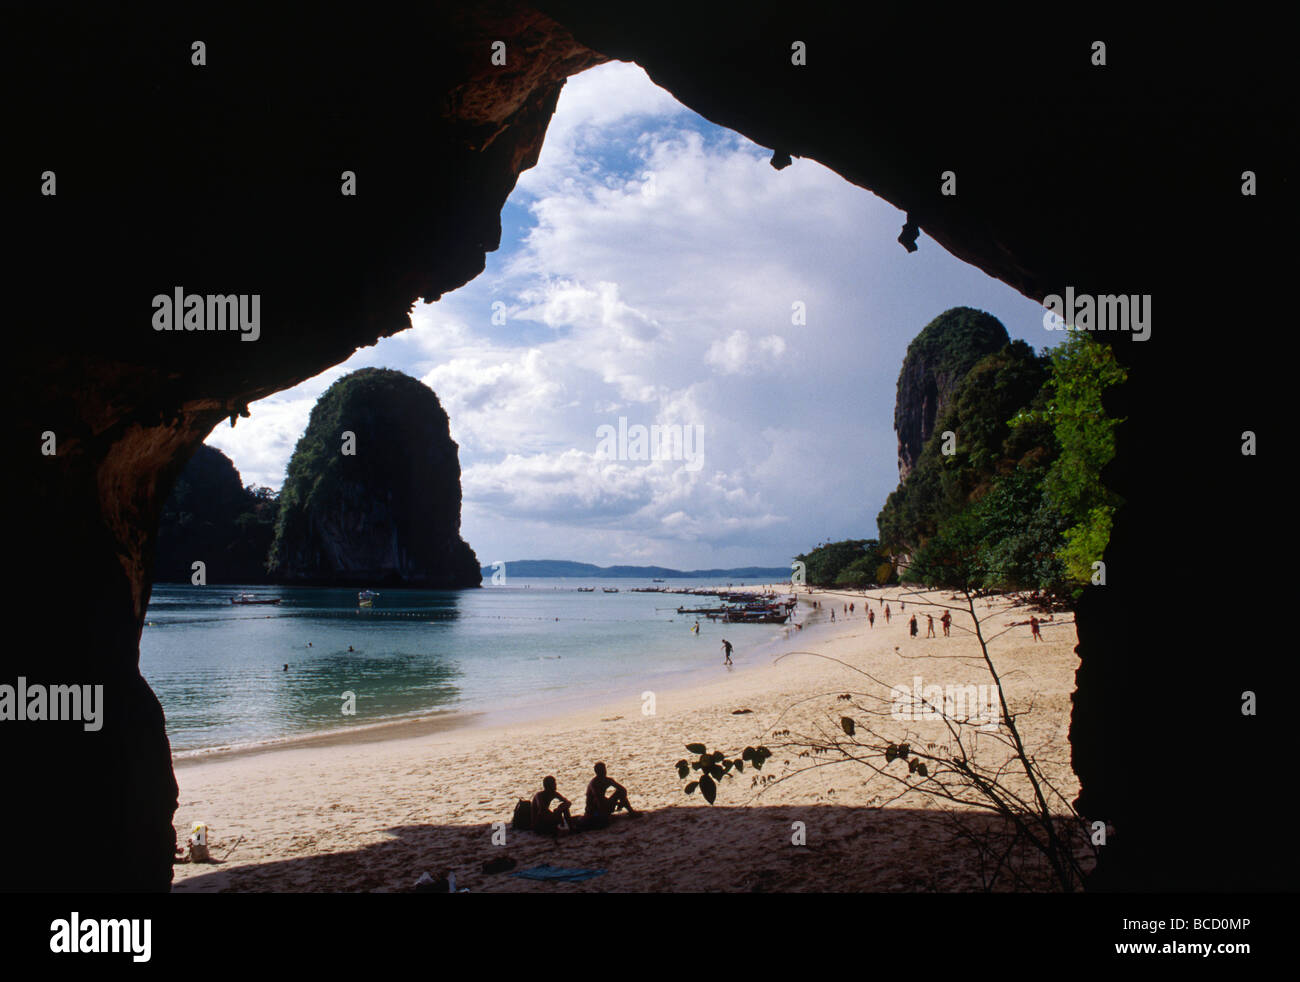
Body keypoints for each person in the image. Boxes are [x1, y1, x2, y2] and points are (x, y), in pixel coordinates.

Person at [581, 762, 636, 829]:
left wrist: (621, 803)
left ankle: (631, 811)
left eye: (604, 770)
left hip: (604, 805)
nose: (603, 772)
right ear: (597, 772)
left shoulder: (608, 780)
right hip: (594, 811)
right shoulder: (594, 783)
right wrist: (617, 803)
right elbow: (599, 799)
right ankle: (603, 817)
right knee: (601, 817)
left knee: (620, 792)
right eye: (601, 771)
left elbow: (622, 790)